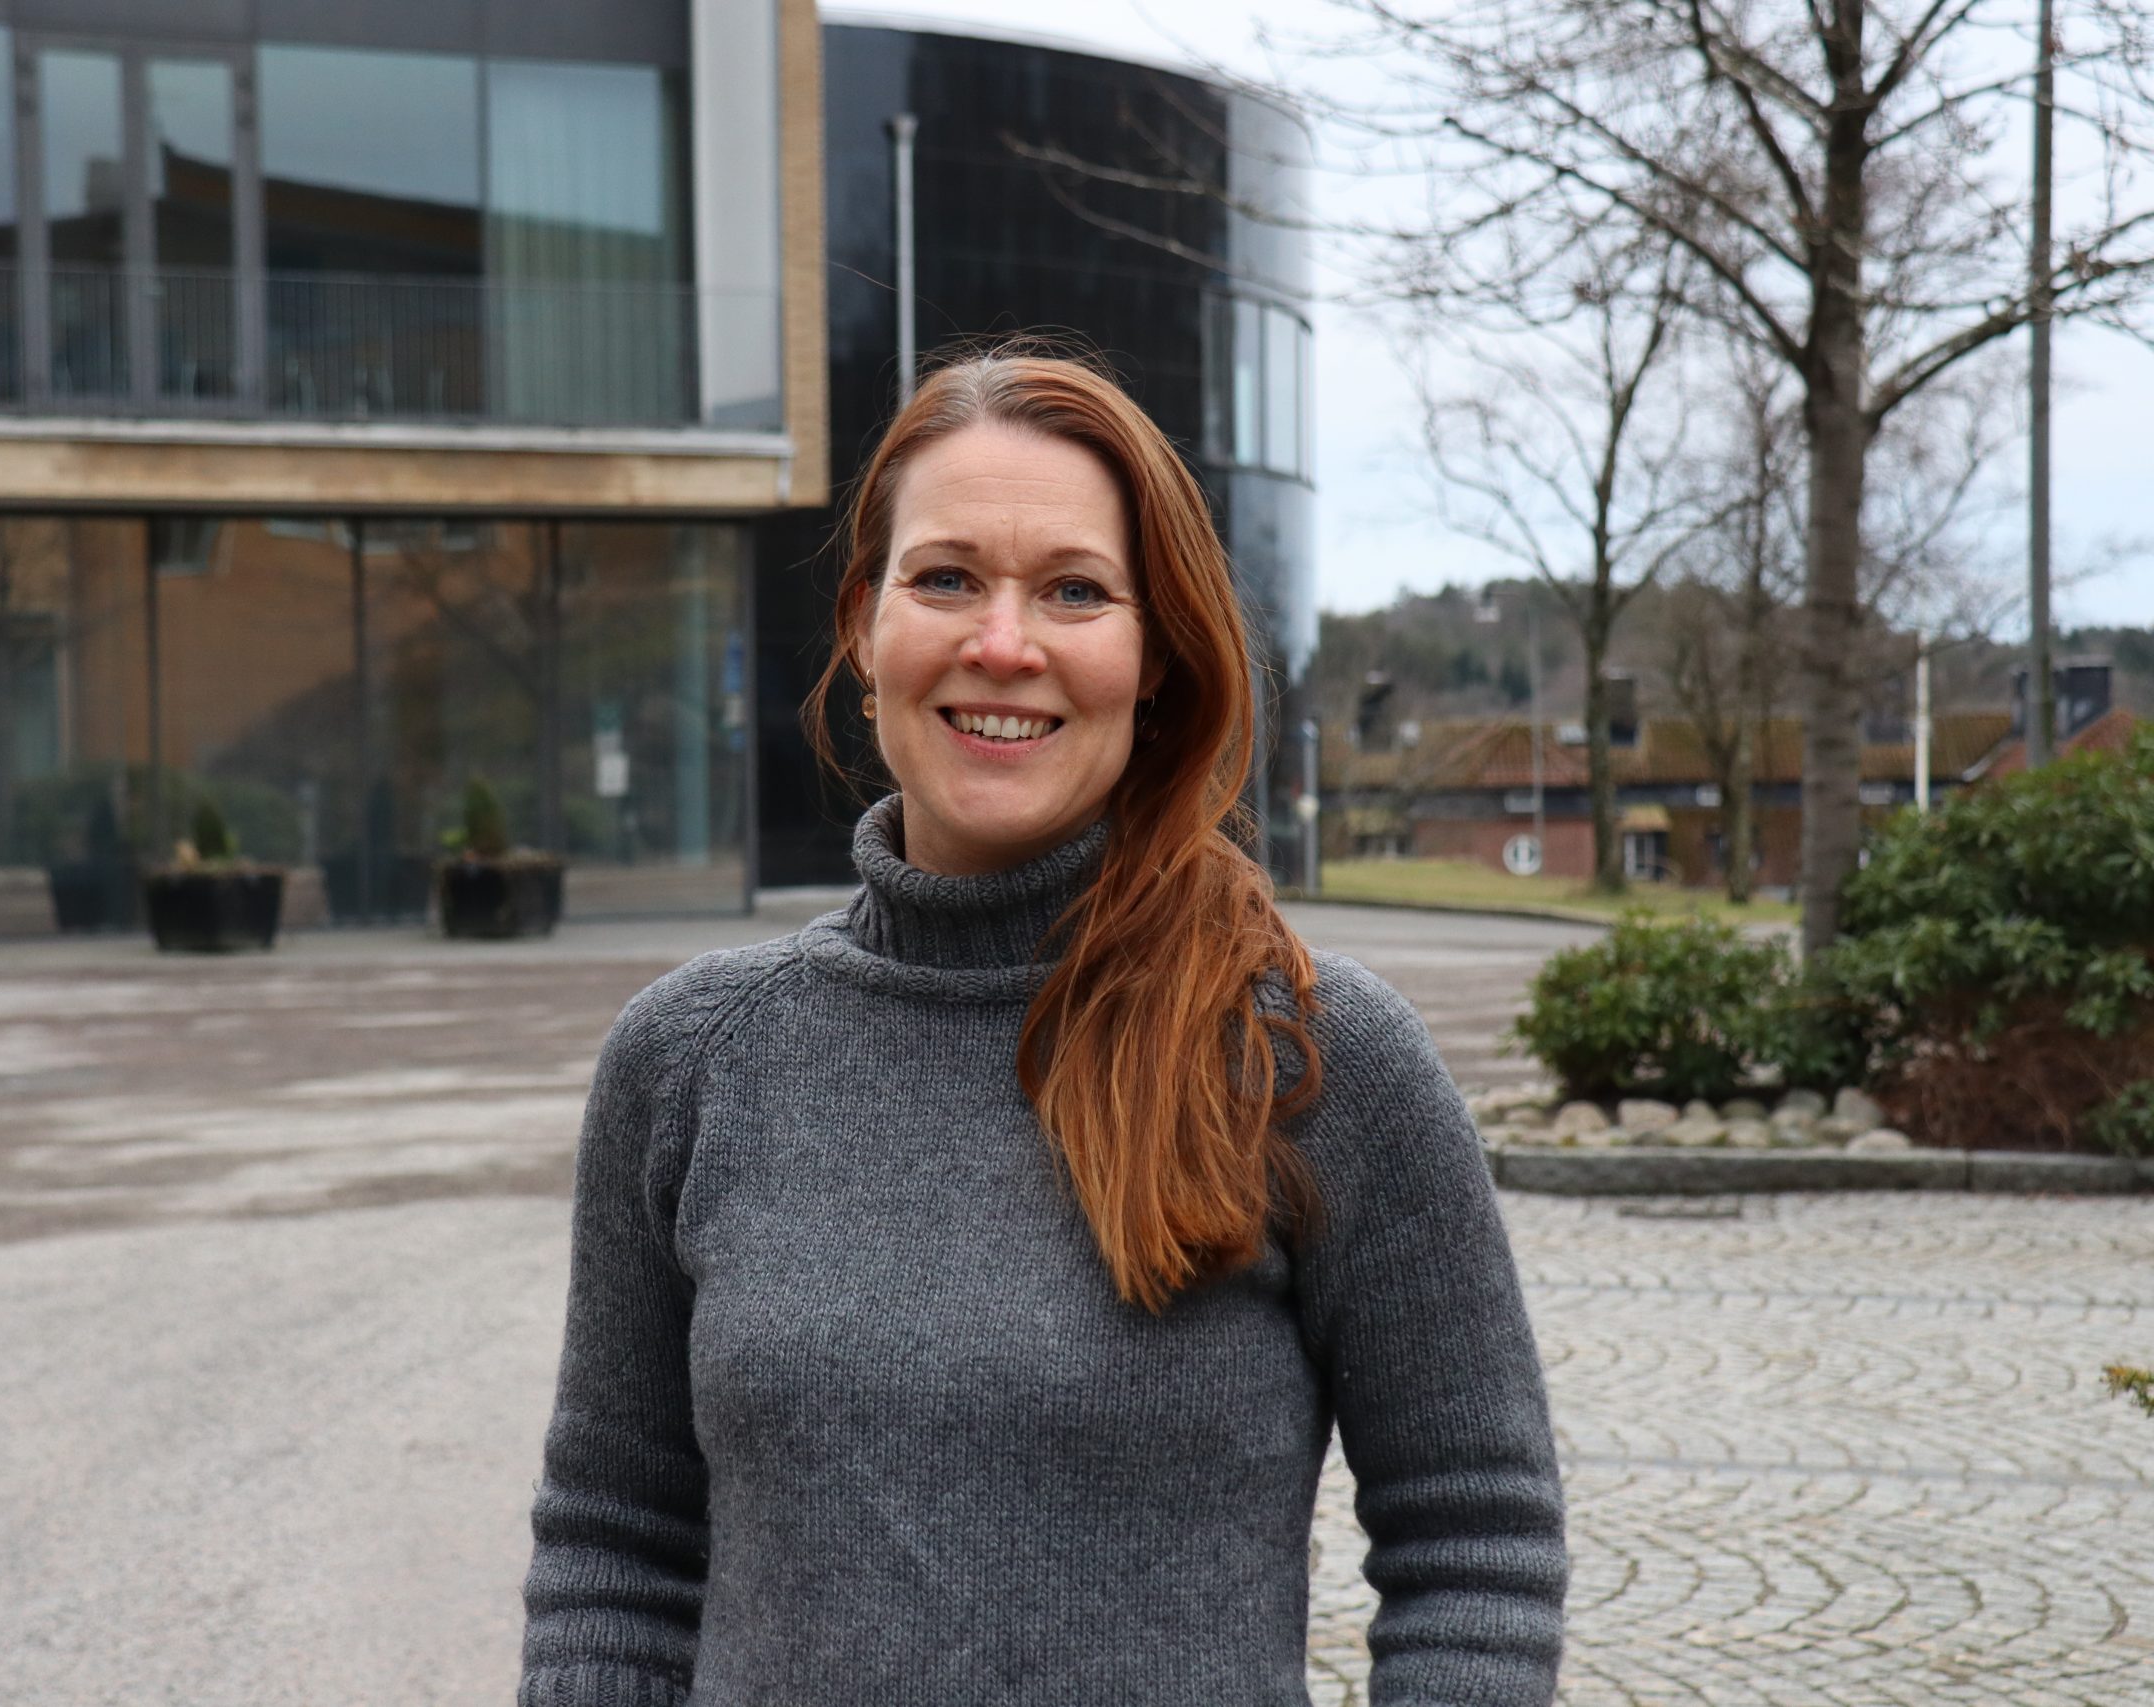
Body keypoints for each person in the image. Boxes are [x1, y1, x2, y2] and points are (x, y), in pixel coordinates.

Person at [516, 352, 1566, 1705]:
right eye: (946, 578)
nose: (1003, 644)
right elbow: (617, 1551)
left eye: (1075, 591)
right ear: (864, 626)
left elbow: (1474, 1544)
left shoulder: (1309, 1055)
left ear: (1155, 658)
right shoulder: (692, 1060)